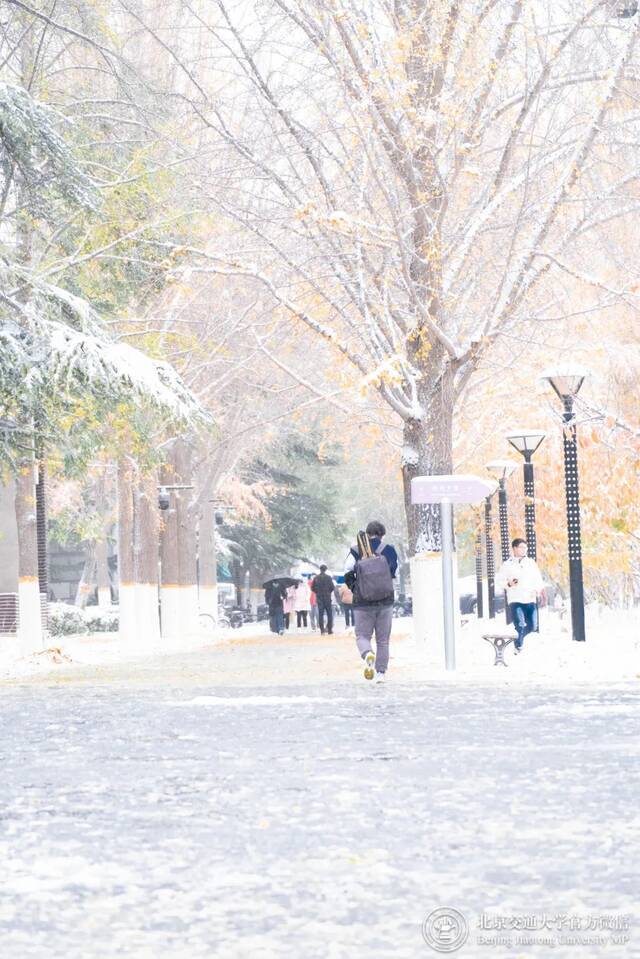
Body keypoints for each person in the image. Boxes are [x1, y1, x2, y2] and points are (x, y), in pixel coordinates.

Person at [344, 521, 398, 683]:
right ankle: (381, 673)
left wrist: (356, 588)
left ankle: (367, 653)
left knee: (362, 635)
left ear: (367, 534)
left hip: (363, 602)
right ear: (382, 534)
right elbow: (394, 572)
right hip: (385, 601)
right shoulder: (389, 550)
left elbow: (347, 571)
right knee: (383, 640)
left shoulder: (355, 551)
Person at [495, 537, 544, 653]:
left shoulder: (531, 563)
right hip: (515, 599)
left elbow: (539, 580)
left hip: (530, 599)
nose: (524, 550)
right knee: (520, 624)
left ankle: (517, 639)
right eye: (521, 547)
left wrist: (536, 590)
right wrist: (509, 583)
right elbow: (499, 580)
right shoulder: (507, 564)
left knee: (533, 626)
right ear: (514, 548)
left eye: (525, 547)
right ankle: (518, 646)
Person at [311, 565, 335, 635]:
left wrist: (317, 592)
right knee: (329, 614)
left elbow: (312, 588)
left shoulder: (316, 578)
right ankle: (330, 630)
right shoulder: (329, 578)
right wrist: (328, 592)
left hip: (319, 598)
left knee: (320, 614)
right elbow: (332, 587)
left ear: (320, 569)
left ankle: (322, 630)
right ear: (326, 569)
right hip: (327, 597)